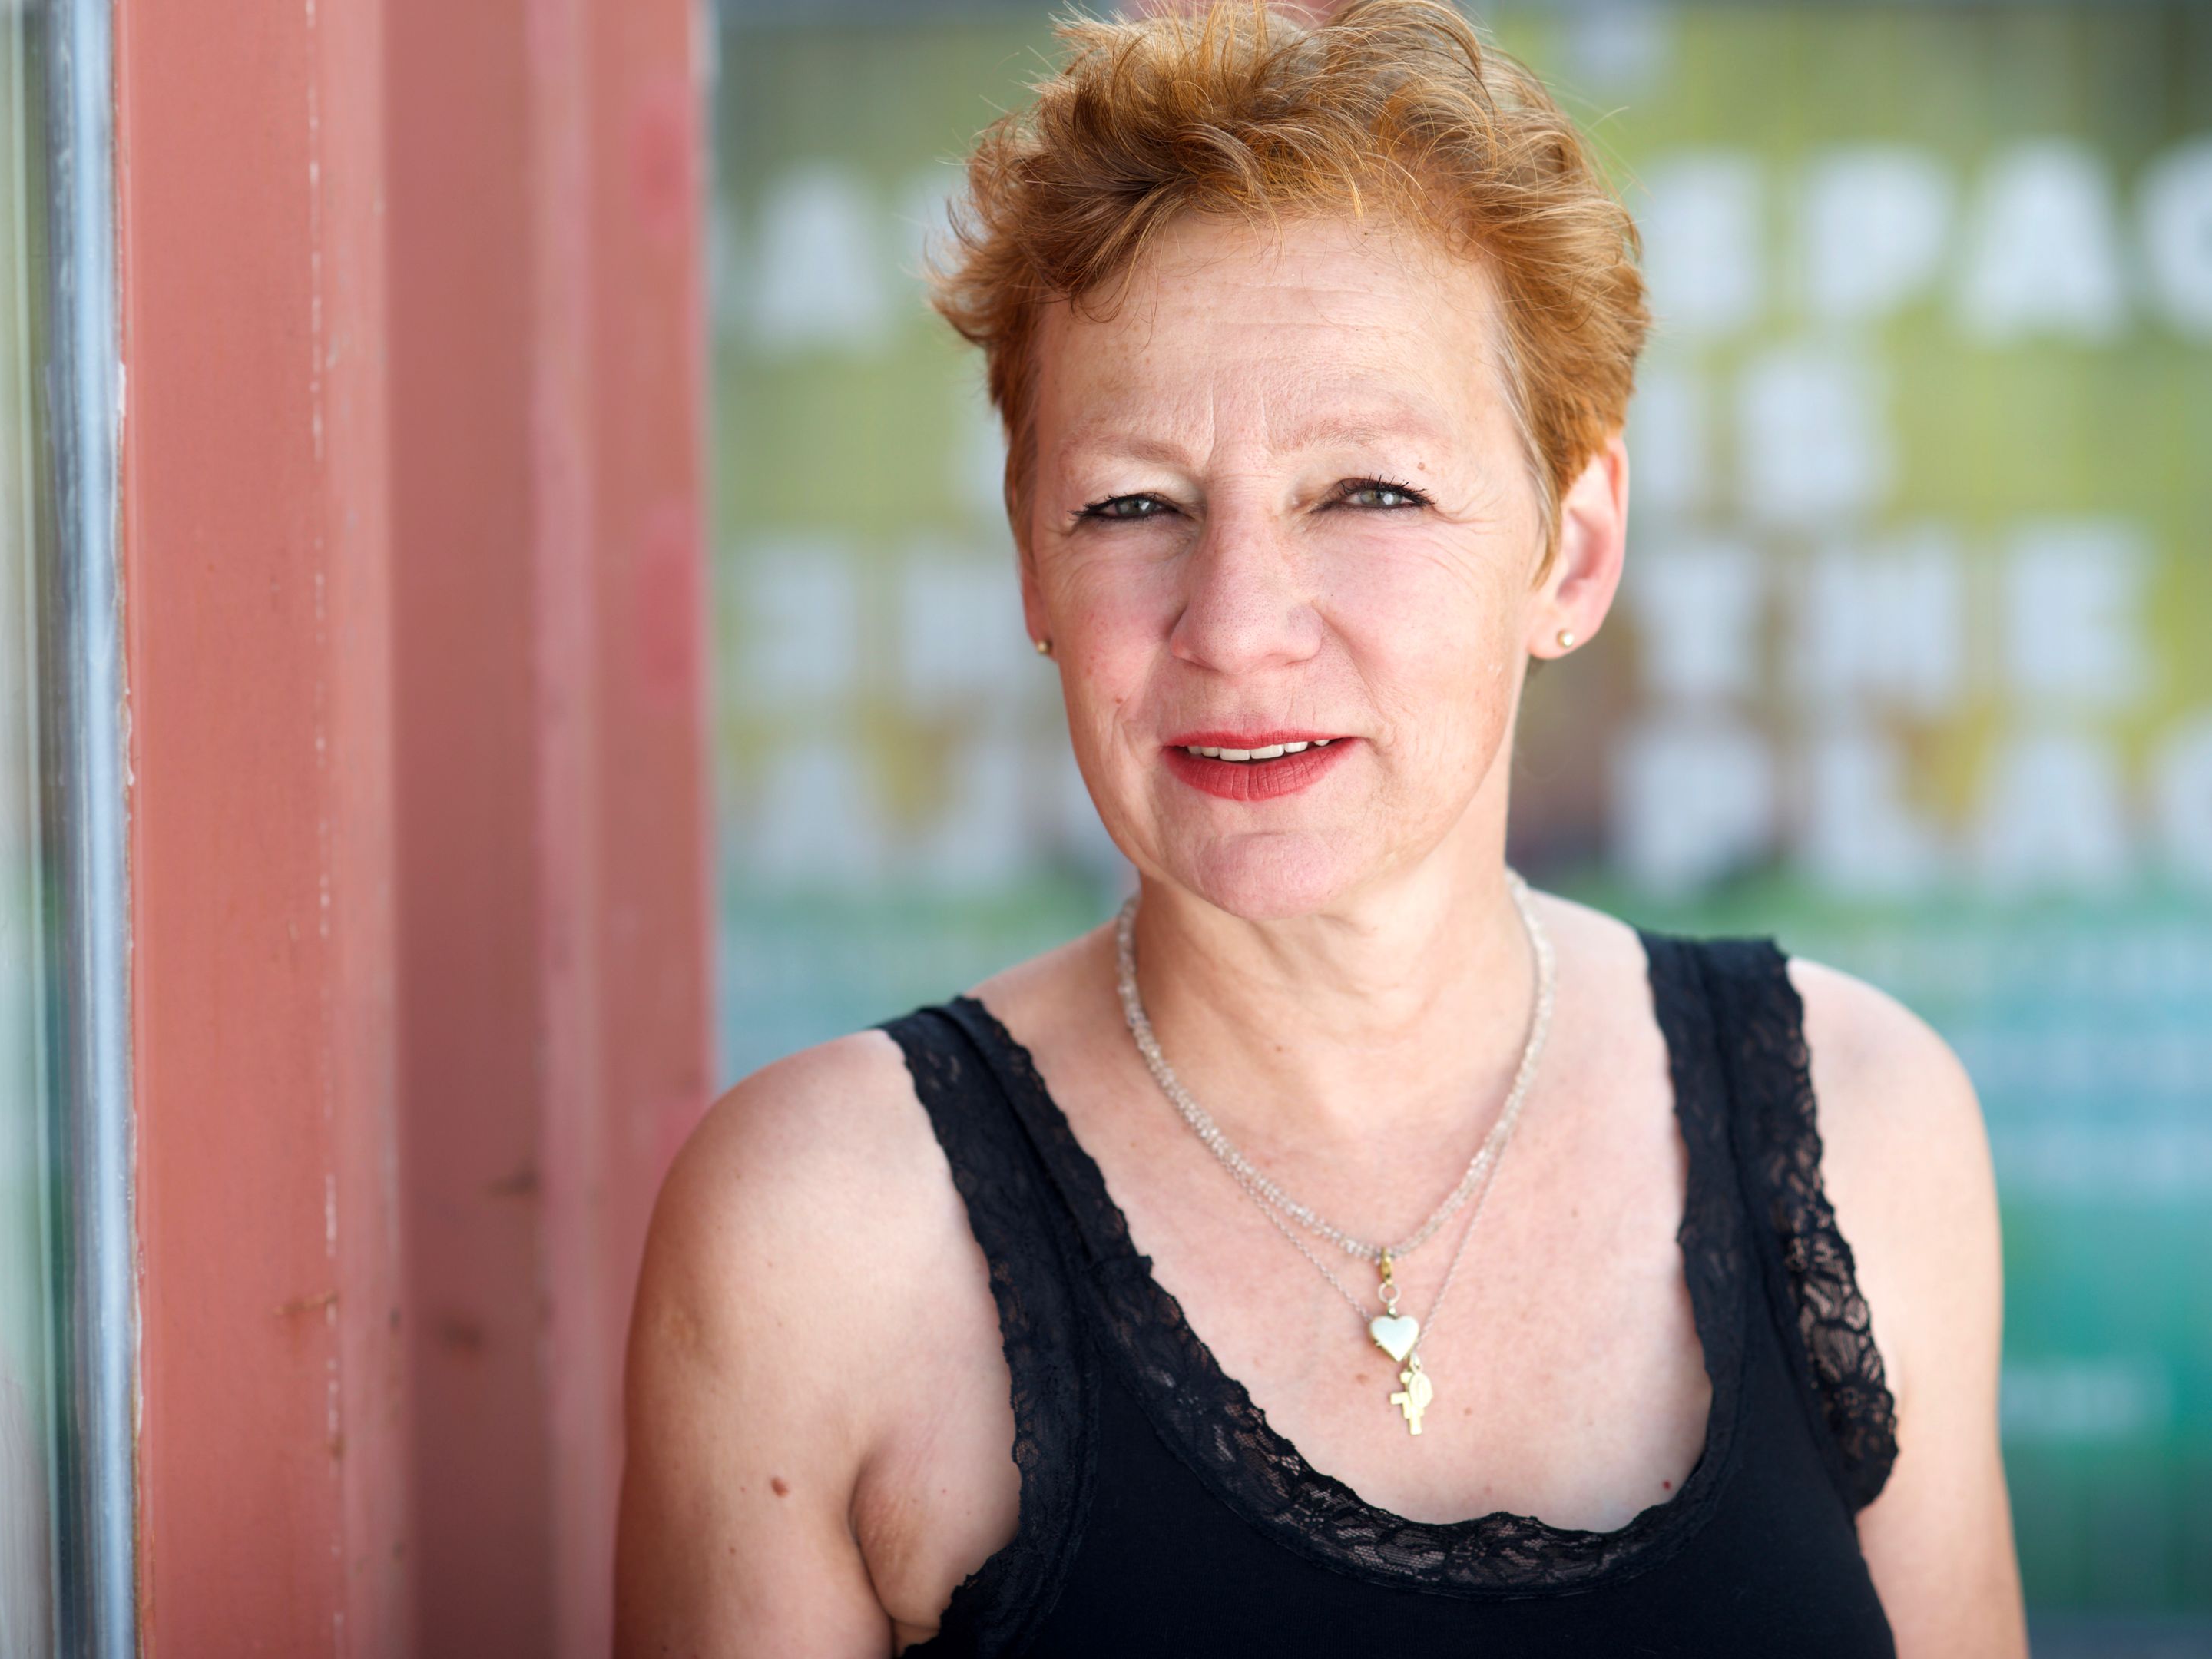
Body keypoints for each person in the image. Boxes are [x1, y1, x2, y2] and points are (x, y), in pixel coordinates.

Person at [619, 2, 2024, 1652]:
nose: (1236, 626)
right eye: (1130, 504)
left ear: (1571, 553)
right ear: (1030, 565)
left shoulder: (1864, 1128)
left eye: (1368, 492)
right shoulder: (820, 1237)